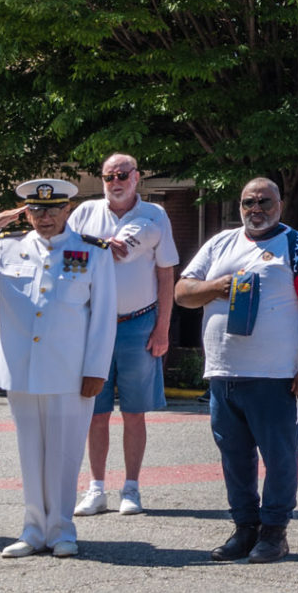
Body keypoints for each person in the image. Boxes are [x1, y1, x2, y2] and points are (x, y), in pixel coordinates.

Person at [0, 178, 120, 558]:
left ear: (68, 210)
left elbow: (104, 316)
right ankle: (32, 530)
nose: (45, 217)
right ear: (25, 212)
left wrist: (96, 369)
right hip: (23, 371)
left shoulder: (92, 252)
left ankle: (62, 530)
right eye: (36, 210)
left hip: (70, 372)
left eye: (53, 209)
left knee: (64, 452)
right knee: (30, 452)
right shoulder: (5, 249)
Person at [175, 178, 298, 563]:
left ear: (280, 204)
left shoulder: (297, 246)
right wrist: (217, 286)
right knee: (234, 457)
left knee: (279, 458)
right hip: (224, 374)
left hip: (277, 377)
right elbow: (182, 292)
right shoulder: (219, 244)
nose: (256, 209)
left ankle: (275, 532)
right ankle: (244, 529)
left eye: (264, 201)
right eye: (248, 202)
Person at [68, 153, 178, 517]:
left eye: (122, 175)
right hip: (92, 324)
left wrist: (162, 327)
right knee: (94, 412)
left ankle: (131, 489)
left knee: (134, 412)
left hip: (139, 323)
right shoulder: (84, 213)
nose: (115, 182)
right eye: (108, 176)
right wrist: (101, 250)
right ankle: (95, 489)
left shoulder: (155, 215)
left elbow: (166, 274)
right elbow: (67, 265)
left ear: (137, 177)